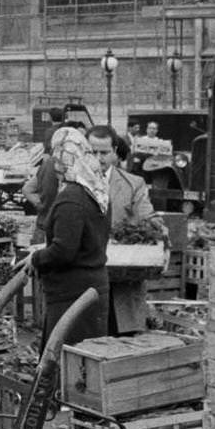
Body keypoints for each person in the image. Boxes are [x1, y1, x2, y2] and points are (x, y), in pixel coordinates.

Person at [30, 126, 110, 348]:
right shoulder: (97, 191)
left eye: (58, 160)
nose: (55, 166)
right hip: (91, 289)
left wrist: (35, 259)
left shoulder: (71, 199)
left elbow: (63, 251)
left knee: (68, 363)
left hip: (72, 295)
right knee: (88, 360)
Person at [89, 125, 162, 333]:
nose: (98, 158)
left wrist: (157, 227)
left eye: (103, 153)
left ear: (114, 153)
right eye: (92, 152)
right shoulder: (73, 184)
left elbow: (147, 216)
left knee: (125, 338)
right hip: (87, 277)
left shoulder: (133, 184)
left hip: (123, 278)